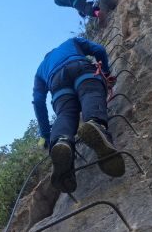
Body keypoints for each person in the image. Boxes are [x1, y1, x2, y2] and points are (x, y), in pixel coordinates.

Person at [32, 36, 124, 192]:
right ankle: (96, 124)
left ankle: (62, 141)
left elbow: (38, 101)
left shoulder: (41, 69)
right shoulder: (71, 42)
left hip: (57, 85)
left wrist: (46, 135)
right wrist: (106, 72)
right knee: (91, 93)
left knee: (65, 114)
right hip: (80, 68)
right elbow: (99, 50)